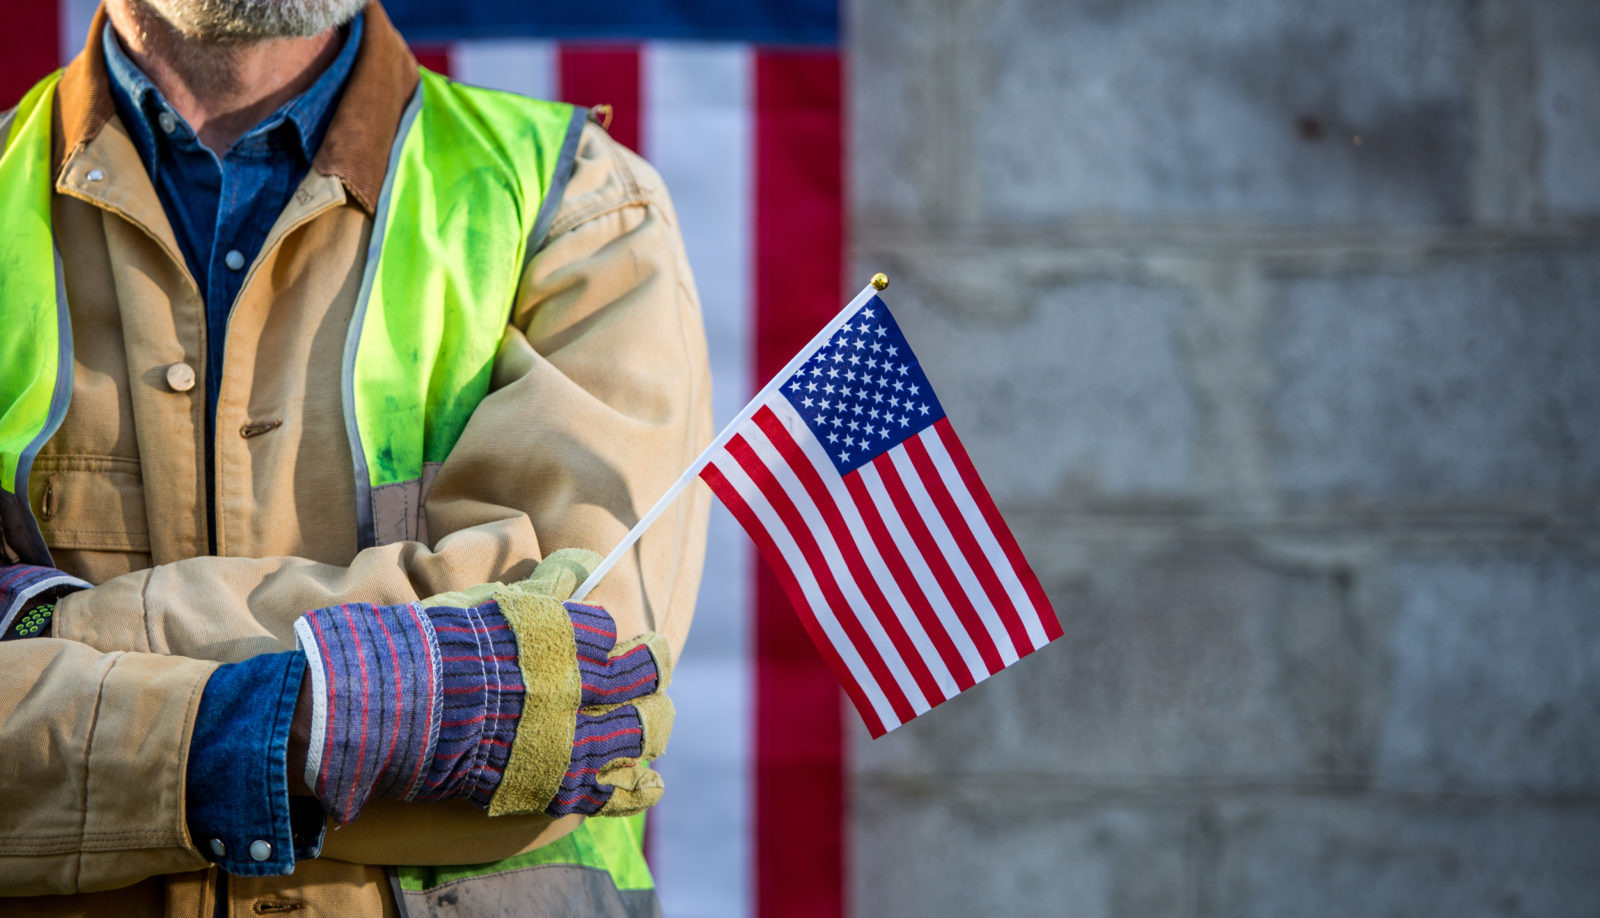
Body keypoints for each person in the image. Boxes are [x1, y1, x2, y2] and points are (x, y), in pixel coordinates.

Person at [0, 0, 711, 914]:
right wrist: (325, 711)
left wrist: (49, 636)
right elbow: (489, 693)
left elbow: (571, 684)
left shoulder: (574, 200)